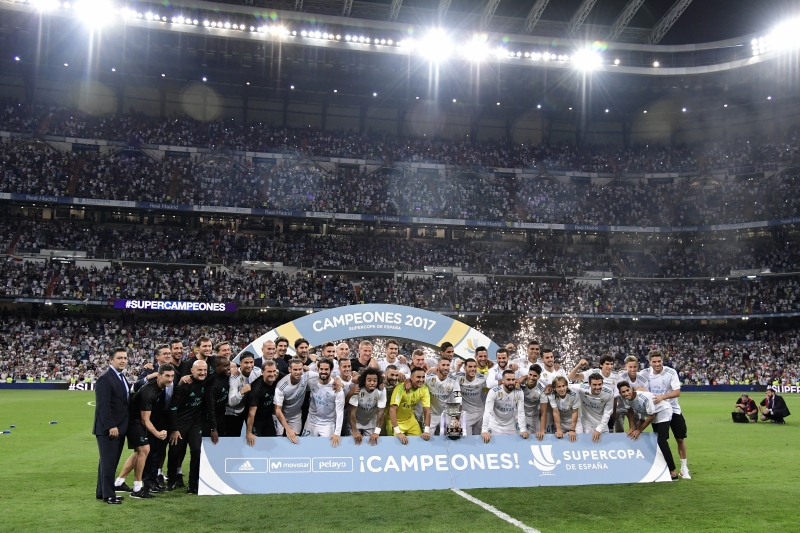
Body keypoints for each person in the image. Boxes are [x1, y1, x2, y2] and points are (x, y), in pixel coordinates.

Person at [124, 364, 175, 498]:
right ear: (159, 376)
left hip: (139, 420)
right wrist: (157, 433)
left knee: (143, 452)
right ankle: (138, 488)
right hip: (134, 421)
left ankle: (121, 482)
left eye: (172, 376)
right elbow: (144, 419)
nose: (170, 379)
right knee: (145, 450)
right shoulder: (150, 392)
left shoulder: (160, 387)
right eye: (167, 376)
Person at [639, 350, 690, 479]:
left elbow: (677, 392)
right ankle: (665, 468)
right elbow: (632, 376)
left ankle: (684, 468)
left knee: (680, 439)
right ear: (649, 362)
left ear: (662, 360)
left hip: (674, 409)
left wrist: (662, 397)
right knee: (661, 440)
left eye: (659, 361)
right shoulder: (644, 373)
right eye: (654, 362)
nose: (657, 364)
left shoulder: (670, 372)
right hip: (658, 412)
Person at [617, 381, 678, 480]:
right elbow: (630, 411)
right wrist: (632, 428)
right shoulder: (624, 399)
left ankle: (672, 471)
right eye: (623, 392)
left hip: (662, 410)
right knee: (657, 441)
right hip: (649, 413)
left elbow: (651, 416)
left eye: (627, 390)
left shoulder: (644, 397)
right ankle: (662, 468)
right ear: (620, 393)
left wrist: (638, 430)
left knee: (661, 441)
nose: (626, 393)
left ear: (631, 389)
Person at [93, 347, 130, 504]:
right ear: (111, 360)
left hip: (119, 427)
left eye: (125, 358)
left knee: (107, 462)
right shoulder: (106, 378)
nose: (123, 361)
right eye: (119, 358)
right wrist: (111, 426)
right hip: (109, 429)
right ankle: (109, 495)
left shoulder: (120, 376)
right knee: (109, 462)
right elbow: (103, 405)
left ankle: (102, 492)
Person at [167, 360, 210, 494]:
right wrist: (174, 429)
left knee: (196, 451)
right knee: (175, 453)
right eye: (199, 370)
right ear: (192, 370)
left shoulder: (207, 381)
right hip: (180, 424)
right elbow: (173, 408)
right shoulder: (184, 385)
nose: (202, 372)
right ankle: (171, 481)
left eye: (205, 370)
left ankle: (193, 484)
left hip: (195, 424)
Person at [302, 359, 345, 447]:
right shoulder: (311, 381)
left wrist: (337, 433)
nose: (323, 372)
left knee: (325, 450)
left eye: (326, 369)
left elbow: (340, 412)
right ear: (317, 369)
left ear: (331, 370)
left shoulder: (337, 388)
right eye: (321, 369)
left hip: (328, 424)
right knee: (305, 447)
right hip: (311, 422)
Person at [481, 370, 528, 443]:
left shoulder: (519, 392)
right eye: (508, 380)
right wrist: (484, 430)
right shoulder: (494, 392)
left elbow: (521, 412)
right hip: (494, 424)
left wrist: (523, 429)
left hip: (510, 425)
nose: (511, 382)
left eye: (513, 379)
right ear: (503, 380)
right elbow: (487, 411)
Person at [389, 367, 432, 444]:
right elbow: (392, 410)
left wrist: (426, 431)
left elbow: (427, 410)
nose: (421, 380)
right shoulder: (401, 388)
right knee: (395, 444)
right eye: (418, 377)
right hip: (396, 421)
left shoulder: (424, 389)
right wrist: (398, 432)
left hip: (410, 420)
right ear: (411, 377)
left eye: (423, 377)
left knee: (420, 442)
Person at [245, 360, 284, 445]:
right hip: (256, 420)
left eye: (274, 371)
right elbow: (251, 413)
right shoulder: (256, 389)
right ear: (262, 372)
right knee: (256, 443)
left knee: (271, 442)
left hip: (268, 418)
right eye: (269, 371)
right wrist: (249, 432)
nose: (272, 374)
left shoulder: (278, 377)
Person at [227, 352, 262, 437]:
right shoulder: (234, 377)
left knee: (255, 435)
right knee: (234, 437)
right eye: (246, 362)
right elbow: (231, 402)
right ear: (240, 363)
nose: (249, 365)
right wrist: (241, 392)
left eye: (251, 362)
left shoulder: (258, 372)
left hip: (251, 408)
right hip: (235, 411)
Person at [274, 359, 310, 442]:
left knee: (295, 440)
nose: (298, 372)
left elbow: (324, 375)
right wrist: (287, 429)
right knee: (279, 440)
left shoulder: (306, 376)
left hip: (295, 415)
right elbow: (277, 410)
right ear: (289, 369)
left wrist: (337, 380)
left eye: (300, 369)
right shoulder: (281, 386)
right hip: (281, 415)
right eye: (295, 370)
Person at [349, 367, 386, 445]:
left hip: (370, 421)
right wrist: (355, 431)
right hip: (356, 421)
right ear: (364, 381)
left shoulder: (381, 390)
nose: (372, 383)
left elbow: (381, 412)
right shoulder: (357, 389)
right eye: (369, 380)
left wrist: (377, 432)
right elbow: (352, 411)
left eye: (374, 381)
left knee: (372, 444)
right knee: (354, 443)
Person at [573, 373, 614, 443]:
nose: (597, 387)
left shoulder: (609, 393)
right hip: (587, 423)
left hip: (602, 424)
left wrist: (599, 429)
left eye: (599, 384)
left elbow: (607, 414)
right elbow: (566, 385)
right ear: (589, 384)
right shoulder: (581, 388)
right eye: (594, 385)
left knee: (605, 446)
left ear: (602, 383)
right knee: (588, 445)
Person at [424, 358, 461, 435]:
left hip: (447, 412)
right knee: (427, 436)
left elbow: (458, 398)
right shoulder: (428, 378)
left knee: (455, 433)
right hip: (432, 413)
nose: (446, 367)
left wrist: (455, 417)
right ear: (437, 366)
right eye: (443, 365)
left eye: (448, 365)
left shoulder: (454, 380)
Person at [452, 358, 487, 436]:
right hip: (465, 415)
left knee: (479, 439)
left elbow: (486, 392)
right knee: (467, 439)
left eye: (474, 366)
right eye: (470, 367)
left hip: (480, 413)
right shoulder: (458, 377)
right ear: (464, 368)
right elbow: (447, 378)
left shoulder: (482, 379)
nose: (473, 369)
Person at [615, 355, 648, 432]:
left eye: (635, 367)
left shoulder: (642, 379)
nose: (633, 369)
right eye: (630, 367)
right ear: (626, 366)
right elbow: (618, 394)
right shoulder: (621, 377)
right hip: (620, 407)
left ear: (638, 366)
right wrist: (635, 390)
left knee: (636, 431)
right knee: (619, 432)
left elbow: (647, 394)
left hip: (635, 407)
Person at [518, 364, 548, 440]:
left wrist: (542, 431)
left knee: (533, 440)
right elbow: (514, 383)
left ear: (539, 377)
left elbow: (543, 413)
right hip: (519, 416)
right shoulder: (521, 384)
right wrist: (523, 377)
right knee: (518, 438)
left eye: (534, 376)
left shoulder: (542, 391)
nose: (531, 378)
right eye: (530, 374)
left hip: (533, 418)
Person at [204, 357, 231, 439]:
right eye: (225, 366)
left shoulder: (226, 376)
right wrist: (213, 428)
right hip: (209, 421)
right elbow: (210, 408)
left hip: (221, 418)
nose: (229, 368)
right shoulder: (212, 384)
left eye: (229, 365)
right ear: (217, 367)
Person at [549, 376, 580, 441]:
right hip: (561, 423)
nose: (562, 389)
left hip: (574, 422)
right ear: (554, 388)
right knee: (560, 441)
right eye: (559, 387)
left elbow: (575, 412)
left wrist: (572, 430)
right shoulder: (552, 395)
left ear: (567, 386)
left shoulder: (574, 394)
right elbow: (555, 412)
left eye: (564, 386)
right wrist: (558, 430)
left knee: (578, 440)